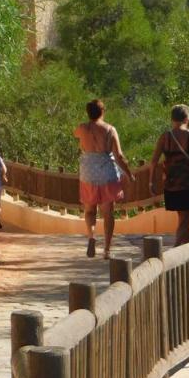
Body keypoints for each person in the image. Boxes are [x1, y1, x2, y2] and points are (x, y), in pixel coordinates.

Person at [73, 99, 133, 259]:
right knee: (108, 213)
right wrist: (129, 173)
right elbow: (119, 155)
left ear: (88, 113)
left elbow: (75, 134)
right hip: (107, 173)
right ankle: (107, 249)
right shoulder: (110, 130)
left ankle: (91, 236)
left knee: (90, 210)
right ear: (103, 112)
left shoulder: (82, 128)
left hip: (88, 173)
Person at [149, 104, 189, 247]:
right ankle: (176, 249)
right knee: (185, 220)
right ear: (187, 119)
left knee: (183, 218)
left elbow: (154, 161)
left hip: (171, 184)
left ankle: (185, 248)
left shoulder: (165, 137)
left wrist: (151, 182)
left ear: (172, 119)